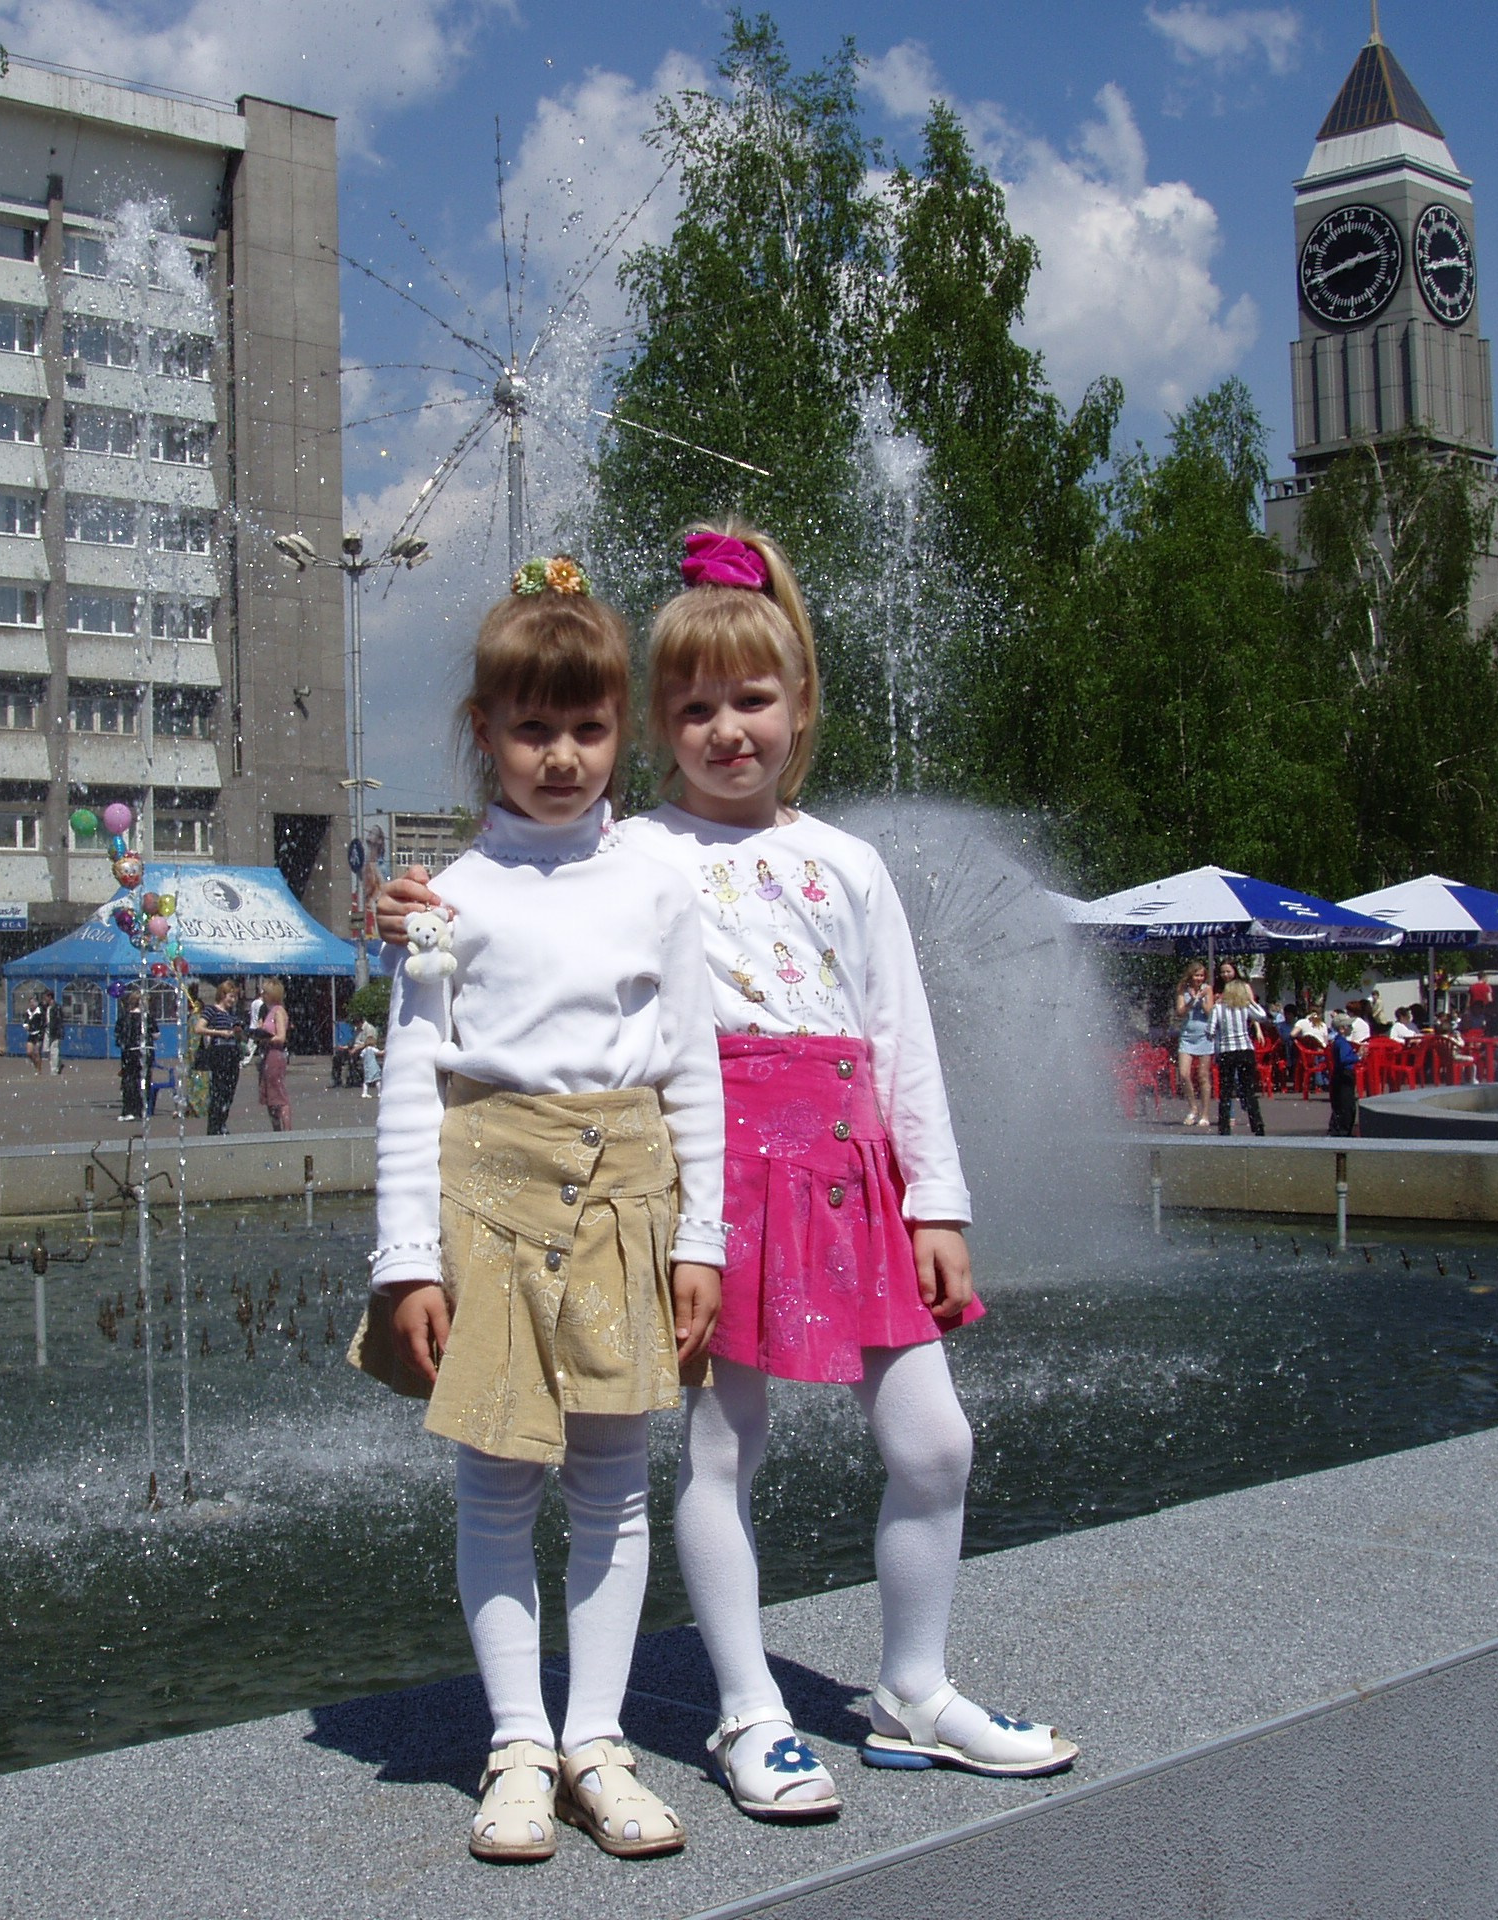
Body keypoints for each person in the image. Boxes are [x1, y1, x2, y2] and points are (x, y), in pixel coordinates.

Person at [381, 520, 1075, 1824]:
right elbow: (516, 894)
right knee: (717, 1453)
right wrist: (409, 910)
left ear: (800, 701)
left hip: (848, 1170)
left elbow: (901, 1040)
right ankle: (748, 1712)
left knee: (936, 1442)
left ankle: (913, 1687)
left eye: (752, 700)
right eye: (694, 707)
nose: (726, 730)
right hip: (710, 1184)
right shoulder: (627, 849)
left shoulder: (852, 864)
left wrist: (939, 1198)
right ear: (657, 722)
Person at [354, 554, 724, 1865]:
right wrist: (409, 1263)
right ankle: (518, 1741)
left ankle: (597, 1740)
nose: (560, 755)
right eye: (532, 728)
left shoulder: (658, 881)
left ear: (620, 730)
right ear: (484, 736)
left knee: (617, 1487)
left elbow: (694, 1071)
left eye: (586, 727)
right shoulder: (447, 899)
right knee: (500, 1482)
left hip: (628, 1196)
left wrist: (701, 1240)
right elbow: (410, 1088)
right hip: (491, 1205)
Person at [1209, 969, 1268, 1136]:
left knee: (1226, 1091)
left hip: (1227, 1051)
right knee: (1248, 1090)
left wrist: (1220, 1035)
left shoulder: (1218, 1008)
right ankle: (1257, 1126)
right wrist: (1251, 1001)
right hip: (1245, 1050)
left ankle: (1224, 1128)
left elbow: (1210, 1031)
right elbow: (1262, 1016)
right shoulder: (1245, 1006)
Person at [197, 981, 245, 1134]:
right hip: (219, 1052)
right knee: (218, 1090)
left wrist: (239, 1033)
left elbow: (240, 1035)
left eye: (235, 997)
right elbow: (199, 1028)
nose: (233, 1000)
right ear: (222, 995)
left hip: (232, 1053)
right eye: (231, 996)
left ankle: (222, 1122)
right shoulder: (211, 1010)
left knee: (229, 1091)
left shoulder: (232, 1015)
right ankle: (214, 1126)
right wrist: (220, 1032)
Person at [1173, 962, 1214, 1128]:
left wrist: (1202, 998)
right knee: (1183, 1074)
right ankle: (1193, 1107)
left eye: (1201, 975)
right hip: (1187, 1035)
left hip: (1204, 1035)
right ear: (1190, 976)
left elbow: (1210, 1012)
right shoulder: (1183, 989)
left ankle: (1205, 1114)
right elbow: (1180, 1012)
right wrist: (1192, 1000)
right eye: (1196, 975)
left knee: (1203, 1075)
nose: (1199, 978)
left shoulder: (1208, 989)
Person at [255, 980, 293, 1131]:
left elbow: (281, 1037)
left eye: (265, 992)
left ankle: (287, 1131)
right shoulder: (267, 1011)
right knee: (269, 1095)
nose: (262, 995)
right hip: (267, 1054)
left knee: (278, 1094)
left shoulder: (278, 1011)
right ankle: (276, 1129)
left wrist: (265, 1038)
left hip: (275, 1055)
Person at [114, 987, 152, 1123]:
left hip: (129, 1052)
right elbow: (156, 1034)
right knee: (143, 1080)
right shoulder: (147, 1017)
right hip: (146, 1051)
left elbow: (118, 1035)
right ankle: (141, 1109)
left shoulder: (124, 1017)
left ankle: (128, 1110)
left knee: (128, 1080)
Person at [1326, 1011, 1360, 1135]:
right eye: (1348, 1026)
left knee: (1342, 1108)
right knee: (1346, 1108)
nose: (1351, 1028)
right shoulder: (1342, 1043)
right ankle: (1342, 1134)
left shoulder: (1339, 1042)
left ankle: (1339, 1131)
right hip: (1344, 1076)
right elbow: (1344, 1059)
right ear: (1341, 1029)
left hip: (1340, 1077)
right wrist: (1358, 1057)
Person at [40, 990, 64, 1075]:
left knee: (54, 1050)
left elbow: (59, 1020)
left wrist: (58, 1030)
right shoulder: (46, 1007)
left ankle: (54, 1070)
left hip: (55, 1031)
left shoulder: (56, 1007)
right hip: (47, 1031)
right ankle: (59, 1063)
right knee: (46, 1051)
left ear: (50, 997)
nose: (44, 999)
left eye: (45, 997)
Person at [21, 992, 45, 1072]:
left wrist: (42, 1030)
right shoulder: (28, 1012)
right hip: (31, 1034)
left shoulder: (40, 1012)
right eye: (30, 1002)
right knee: (29, 1052)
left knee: (37, 1052)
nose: (31, 1004)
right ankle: (35, 1064)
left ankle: (39, 1070)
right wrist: (26, 1026)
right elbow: (25, 1021)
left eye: (33, 1002)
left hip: (38, 1034)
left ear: (36, 1003)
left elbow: (44, 1022)